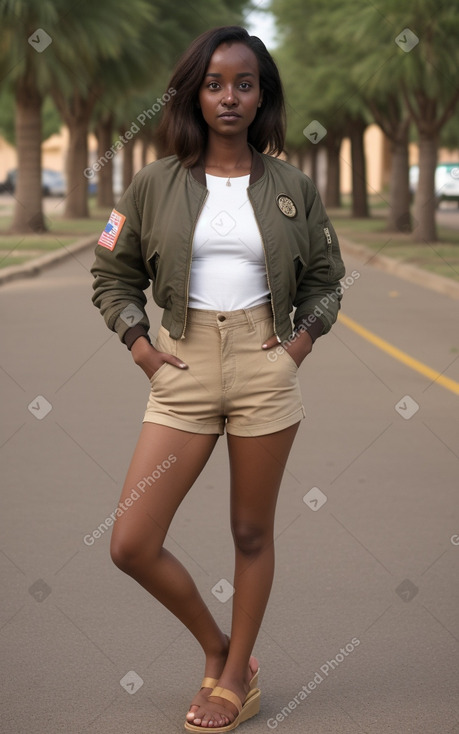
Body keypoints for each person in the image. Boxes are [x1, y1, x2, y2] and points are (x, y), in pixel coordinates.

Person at [91, 25, 345, 732]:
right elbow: (111, 272)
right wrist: (140, 346)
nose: (228, 96)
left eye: (244, 83)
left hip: (266, 364)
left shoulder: (293, 187)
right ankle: (218, 645)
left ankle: (235, 680)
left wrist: (295, 347)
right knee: (131, 542)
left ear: (262, 94)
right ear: (192, 93)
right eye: (213, 82)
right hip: (183, 362)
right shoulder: (152, 182)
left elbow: (328, 281)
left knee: (250, 531)